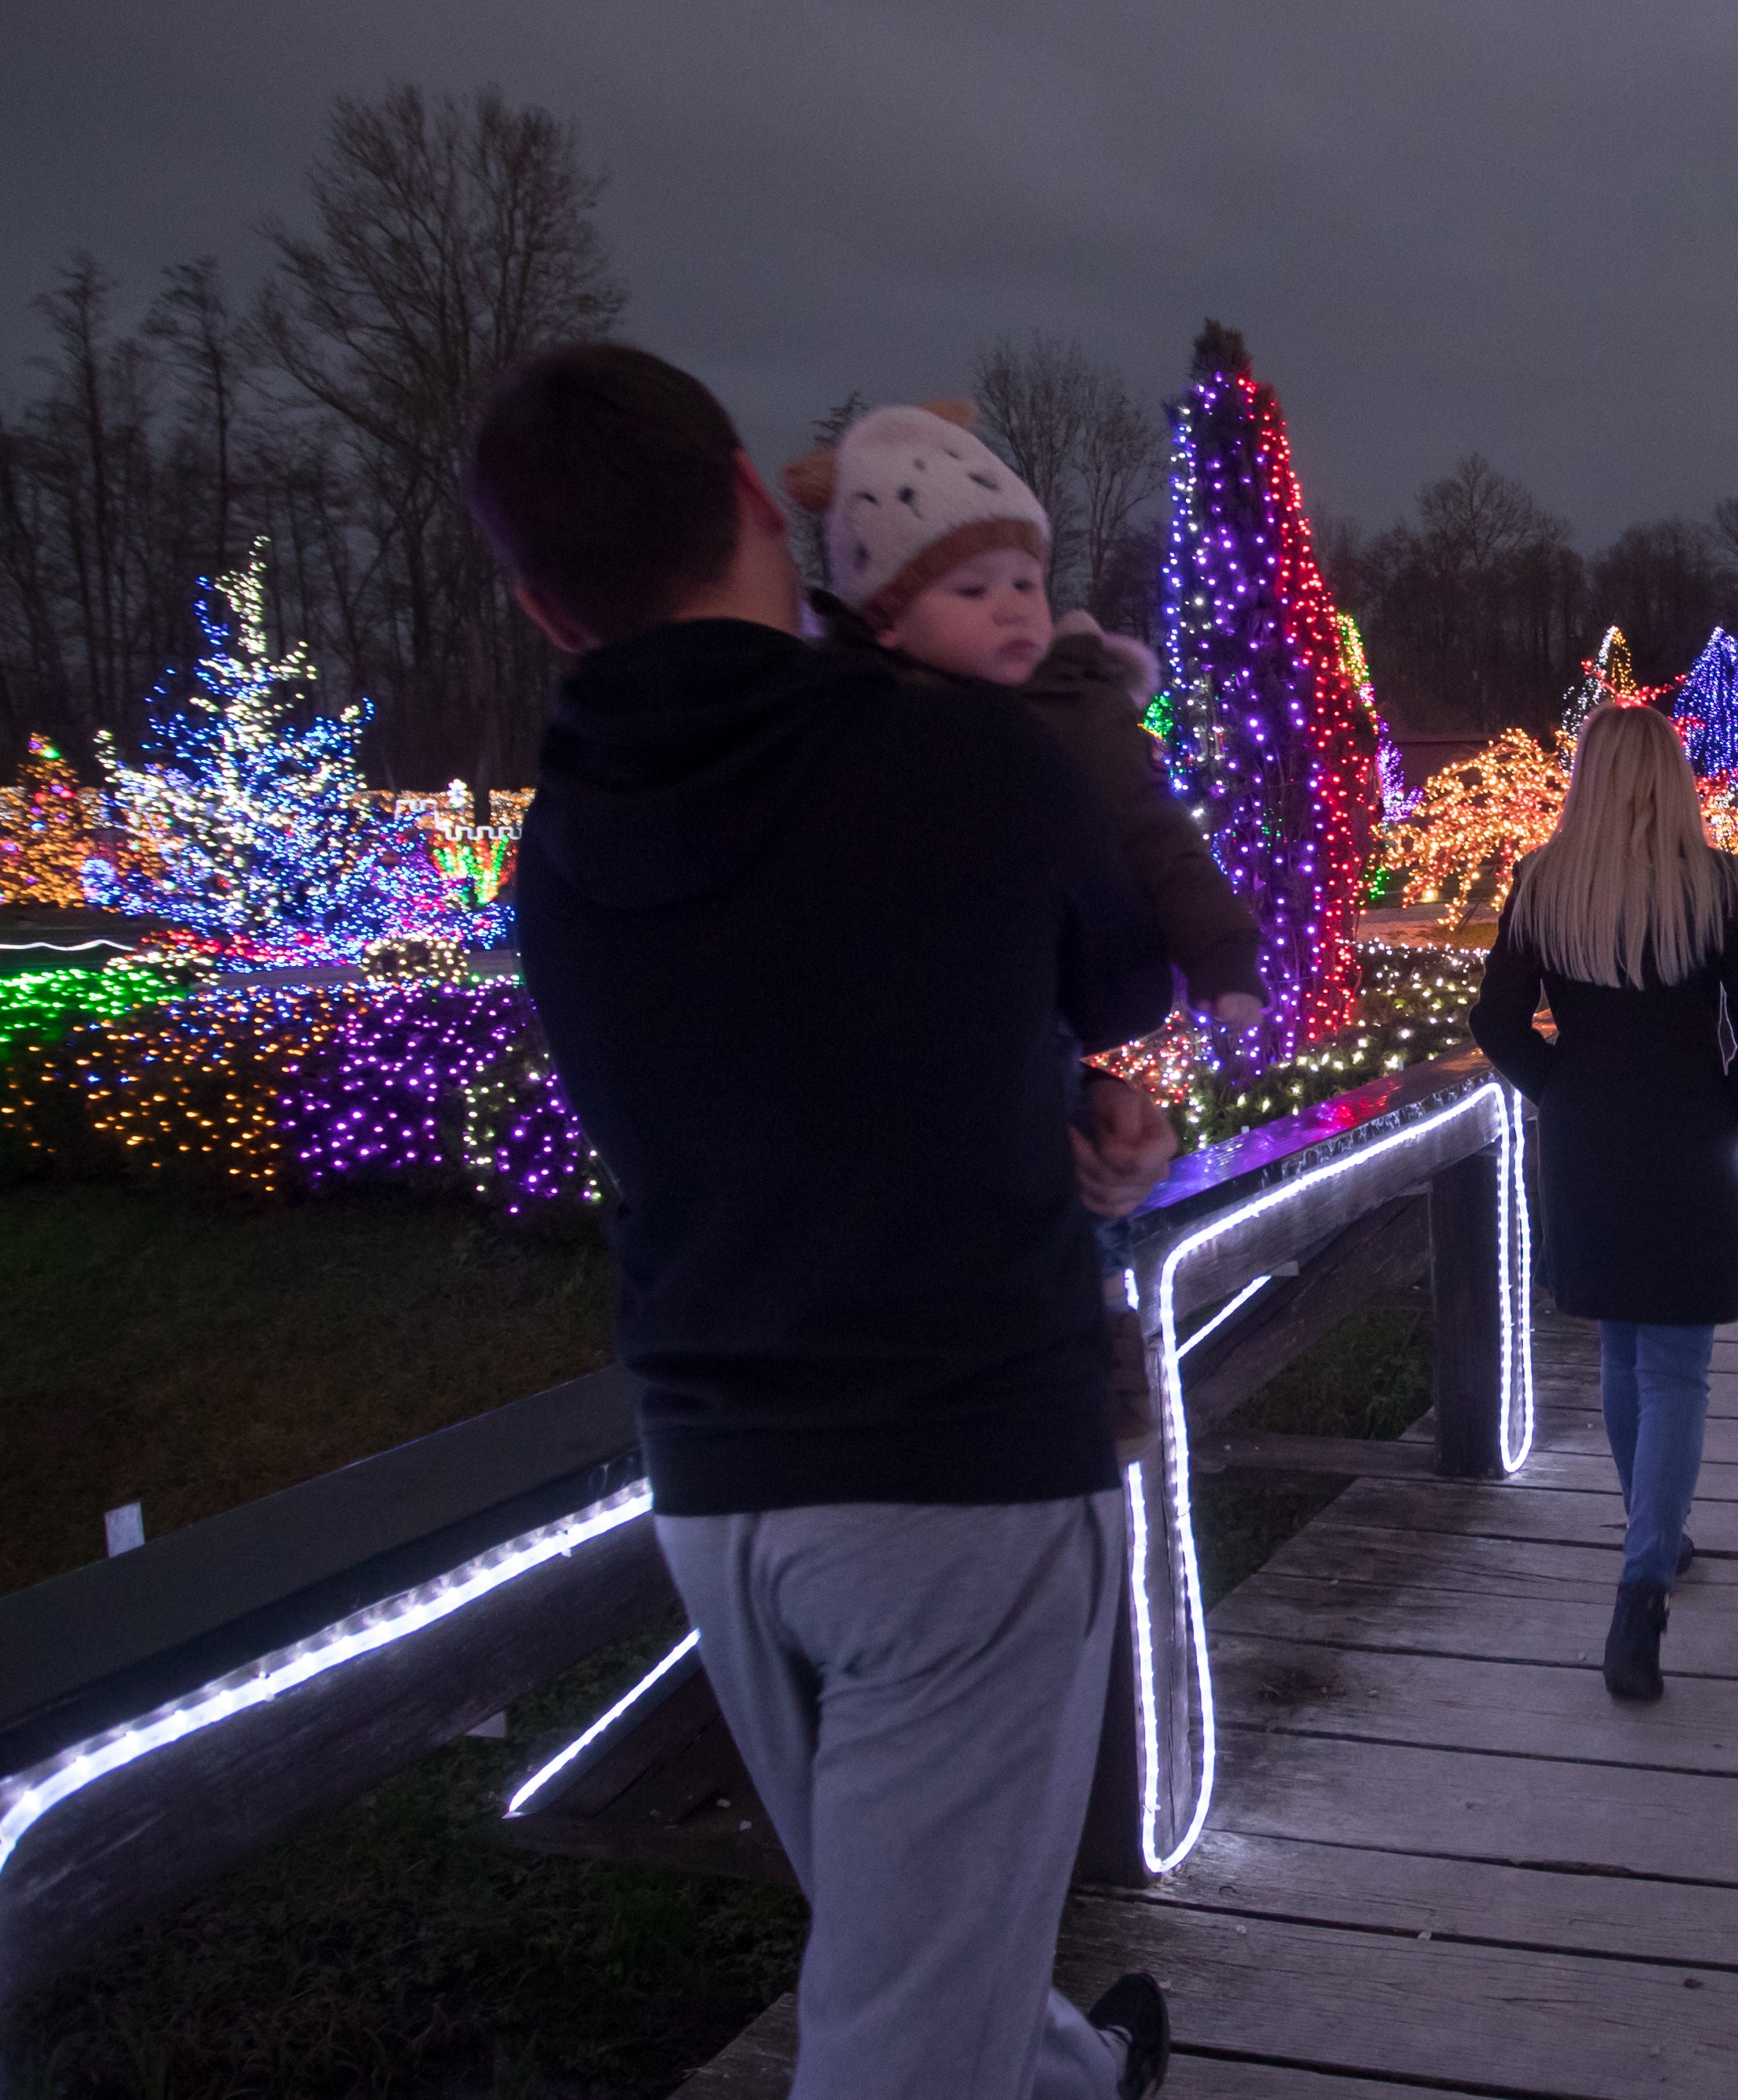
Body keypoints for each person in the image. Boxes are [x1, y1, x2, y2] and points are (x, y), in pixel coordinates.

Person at [463, 343, 1180, 2100]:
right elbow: (1127, 962)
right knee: (892, 2032)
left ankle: (1073, 2075)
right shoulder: (961, 759)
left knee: (903, 1929)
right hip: (960, 1472)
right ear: (746, 497)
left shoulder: (556, 852)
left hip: (717, 1480)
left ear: (548, 615)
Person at [1468, 702, 1738, 1702]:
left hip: (1588, 1136)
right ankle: (1645, 1576)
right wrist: (1729, 1123)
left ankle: (1650, 1532)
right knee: (1676, 1368)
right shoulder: (1719, 882)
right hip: (1686, 1131)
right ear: (1672, 777)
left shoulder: (1542, 880)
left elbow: (1493, 1019)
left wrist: (1560, 1089)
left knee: (1622, 1344)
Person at [780, 401, 1265, 1024]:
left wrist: (1222, 957)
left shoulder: (1078, 708)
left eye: (1026, 582)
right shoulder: (854, 724)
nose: (1011, 608)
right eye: (973, 589)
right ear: (887, 620)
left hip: (1054, 1014)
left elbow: (1159, 835)